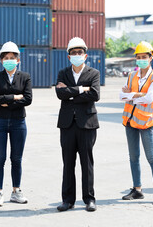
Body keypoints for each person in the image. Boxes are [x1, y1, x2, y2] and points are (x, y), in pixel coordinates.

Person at [55, 37, 100, 212]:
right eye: (73, 53)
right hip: (67, 124)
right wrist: (82, 89)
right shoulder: (62, 73)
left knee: (86, 162)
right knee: (68, 163)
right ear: (68, 57)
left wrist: (70, 93)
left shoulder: (93, 73)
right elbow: (60, 94)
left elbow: (95, 94)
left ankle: (89, 199)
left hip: (87, 123)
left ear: (85, 55)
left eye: (80, 53)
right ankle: (67, 200)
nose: (77, 55)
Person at [119, 41, 153, 205]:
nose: (141, 60)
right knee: (133, 157)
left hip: (147, 123)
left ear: (151, 58)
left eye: (144, 57)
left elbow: (149, 98)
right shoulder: (131, 75)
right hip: (130, 121)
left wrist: (130, 94)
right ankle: (137, 190)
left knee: (152, 158)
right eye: (138, 57)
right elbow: (120, 96)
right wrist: (136, 95)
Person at [0, 41, 32, 207]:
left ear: (18, 60)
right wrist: (15, 97)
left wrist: (5, 100)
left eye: (12, 57)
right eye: (6, 58)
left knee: (16, 158)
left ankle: (16, 191)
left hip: (18, 122)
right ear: (1, 60)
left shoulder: (25, 77)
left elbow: (28, 99)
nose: (9, 60)